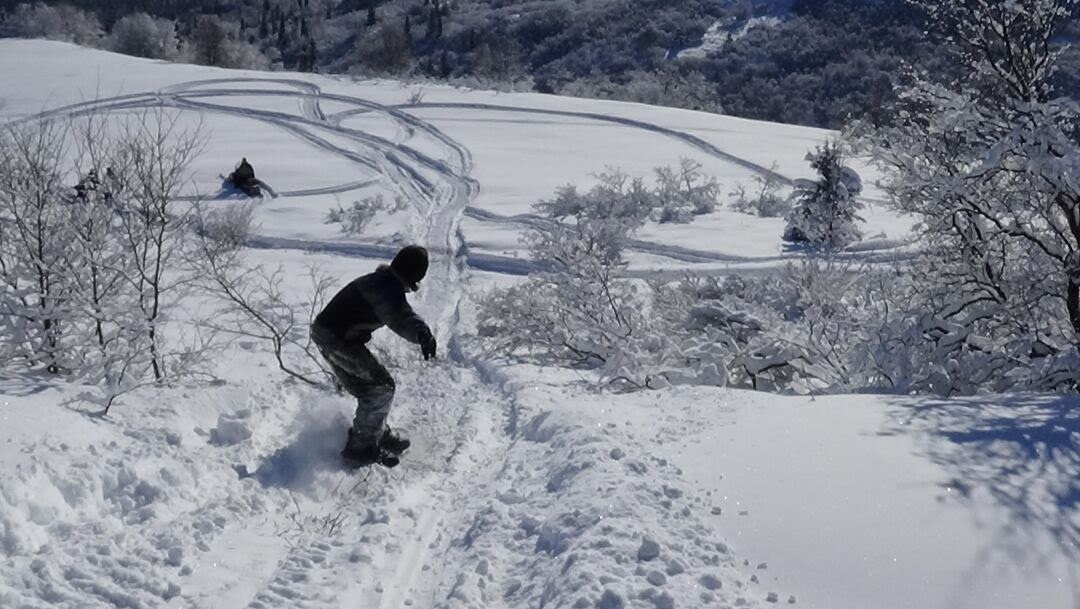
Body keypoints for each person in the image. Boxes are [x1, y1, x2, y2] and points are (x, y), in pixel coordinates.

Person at [310, 245, 437, 467]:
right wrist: (421, 332)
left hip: (333, 336)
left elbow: (399, 310)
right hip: (336, 339)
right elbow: (399, 315)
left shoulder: (383, 282)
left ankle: (374, 432)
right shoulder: (384, 289)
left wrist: (421, 330)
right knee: (381, 388)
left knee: (369, 389)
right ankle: (360, 449)